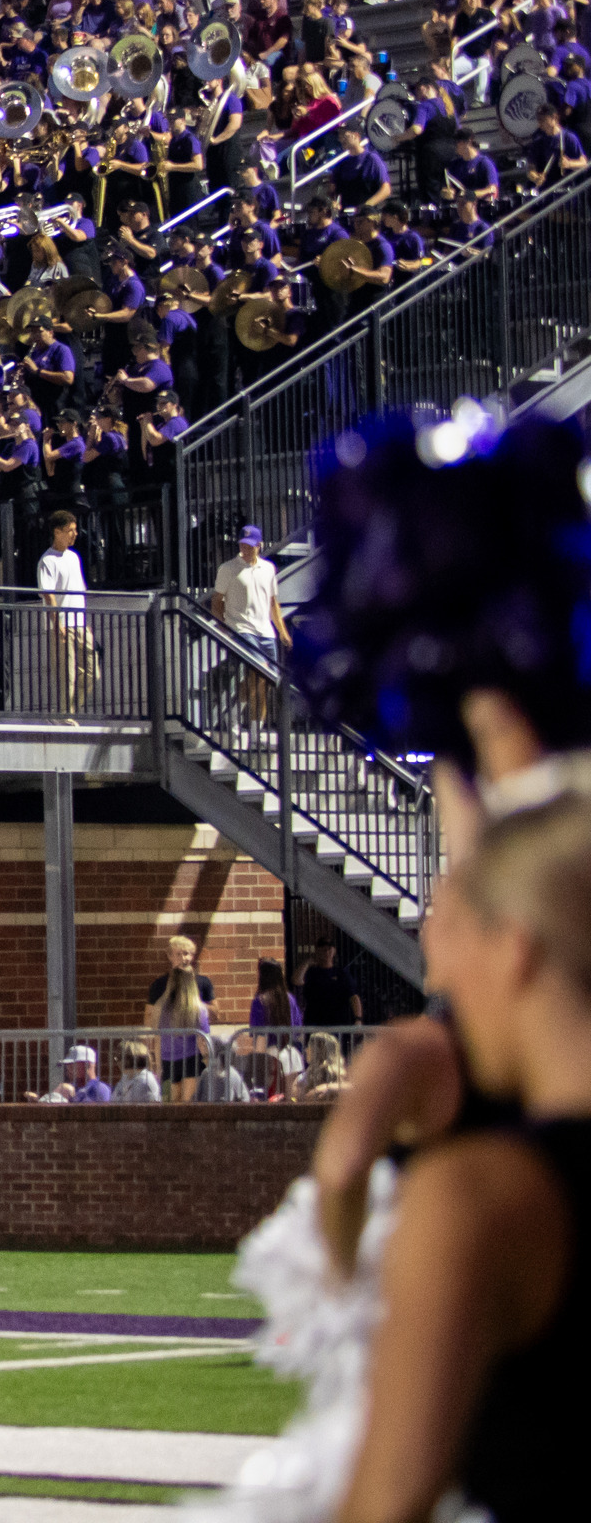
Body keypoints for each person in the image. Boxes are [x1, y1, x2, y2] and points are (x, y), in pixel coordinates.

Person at [335, 781, 591, 1521]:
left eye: (459, 939)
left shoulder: (480, 1197)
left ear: (515, 948)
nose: (442, 979)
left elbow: (388, 1501)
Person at [213, 525, 289, 728]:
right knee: (258, 672)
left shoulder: (268, 569)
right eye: (242, 545)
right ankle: (253, 731)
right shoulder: (228, 569)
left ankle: (238, 713)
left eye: (250, 546)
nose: (245, 550)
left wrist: (282, 631)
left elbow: (273, 603)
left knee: (263, 681)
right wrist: (223, 627)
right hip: (241, 629)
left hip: (265, 631)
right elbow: (216, 601)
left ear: (259, 546)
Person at [37, 511, 96, 718]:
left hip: (80, 623)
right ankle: (64, 716)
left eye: (74, 530)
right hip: (63, 625)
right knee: (67, 674)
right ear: (57, 531)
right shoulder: (48, 560)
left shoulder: (74, 557)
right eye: (70, 530)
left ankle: (66, 711)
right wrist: (57, 623)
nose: (75, 534)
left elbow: (80, 591)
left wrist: (85, 620)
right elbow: (48, 594)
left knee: (92, 672)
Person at [145, 936, 217, 1102]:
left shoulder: (163, 1006)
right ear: (170, 956)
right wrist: (208, 1060)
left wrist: (158, 1065)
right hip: (190, 1058)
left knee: (171, 1104)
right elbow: (202, 1039)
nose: (184, 958)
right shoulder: (159, 987)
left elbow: (157, 1034)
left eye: (187, 954)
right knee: (188, 1103)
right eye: (179, 953)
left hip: (168, 1059)